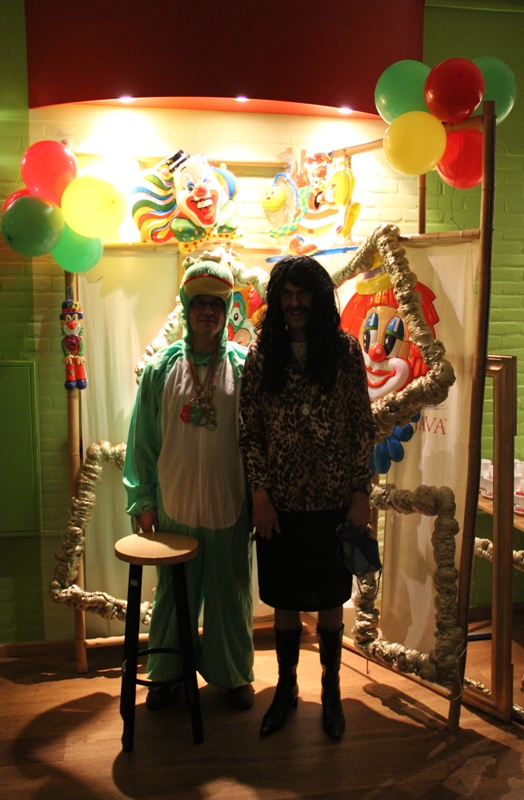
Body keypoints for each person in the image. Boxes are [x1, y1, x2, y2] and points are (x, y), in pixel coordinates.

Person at [239, 254, 374, 739]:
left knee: (332, 597)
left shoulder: (344, 351)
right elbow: (249, 433)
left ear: (318, 299)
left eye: (303, 294)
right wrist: (259, 494)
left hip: (334, 500)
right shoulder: (262, 354)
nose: (294, 303)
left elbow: (362, 425)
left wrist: (360, 491)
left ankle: (331, 692)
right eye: (287, 295)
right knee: (285, 599)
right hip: (280, 504)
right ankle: (286, 688)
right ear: (277, 300)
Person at [123, 252, 254, 712]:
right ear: (186, 305)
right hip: (174, 504)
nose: (208, 312)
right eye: (200, 302)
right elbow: (142, 439)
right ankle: (166, 674)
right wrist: (142, 500)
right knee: (172, 597)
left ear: (228, 309)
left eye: (217, 304)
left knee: (229, 594)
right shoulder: (161, 368)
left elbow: (258, 441)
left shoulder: (244, 367)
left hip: (228, 503)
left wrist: (260, 499)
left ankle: (233, 675)